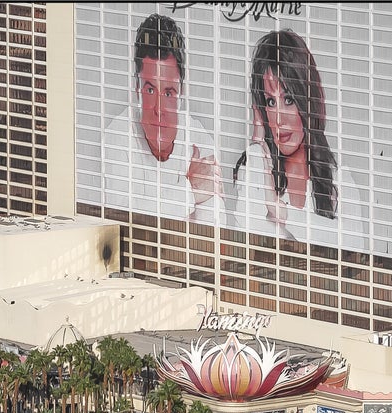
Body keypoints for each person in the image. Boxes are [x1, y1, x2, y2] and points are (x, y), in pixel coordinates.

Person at [94, 14, 222, 222]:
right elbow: (120, 221)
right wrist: (190, 192)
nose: (159, 109)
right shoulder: (117, 137)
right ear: (137, 87)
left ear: (182, 90)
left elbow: (214, 228)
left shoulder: (200, 140)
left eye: (169, 92)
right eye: (151, 90)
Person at [231, 29, 337, 244]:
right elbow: (246, 234)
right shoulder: (254, 167)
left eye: (288, 99)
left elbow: (349, 244)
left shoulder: (337, 180)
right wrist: (256, 146)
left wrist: (279, 211)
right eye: (270, 102)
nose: (279, 119)